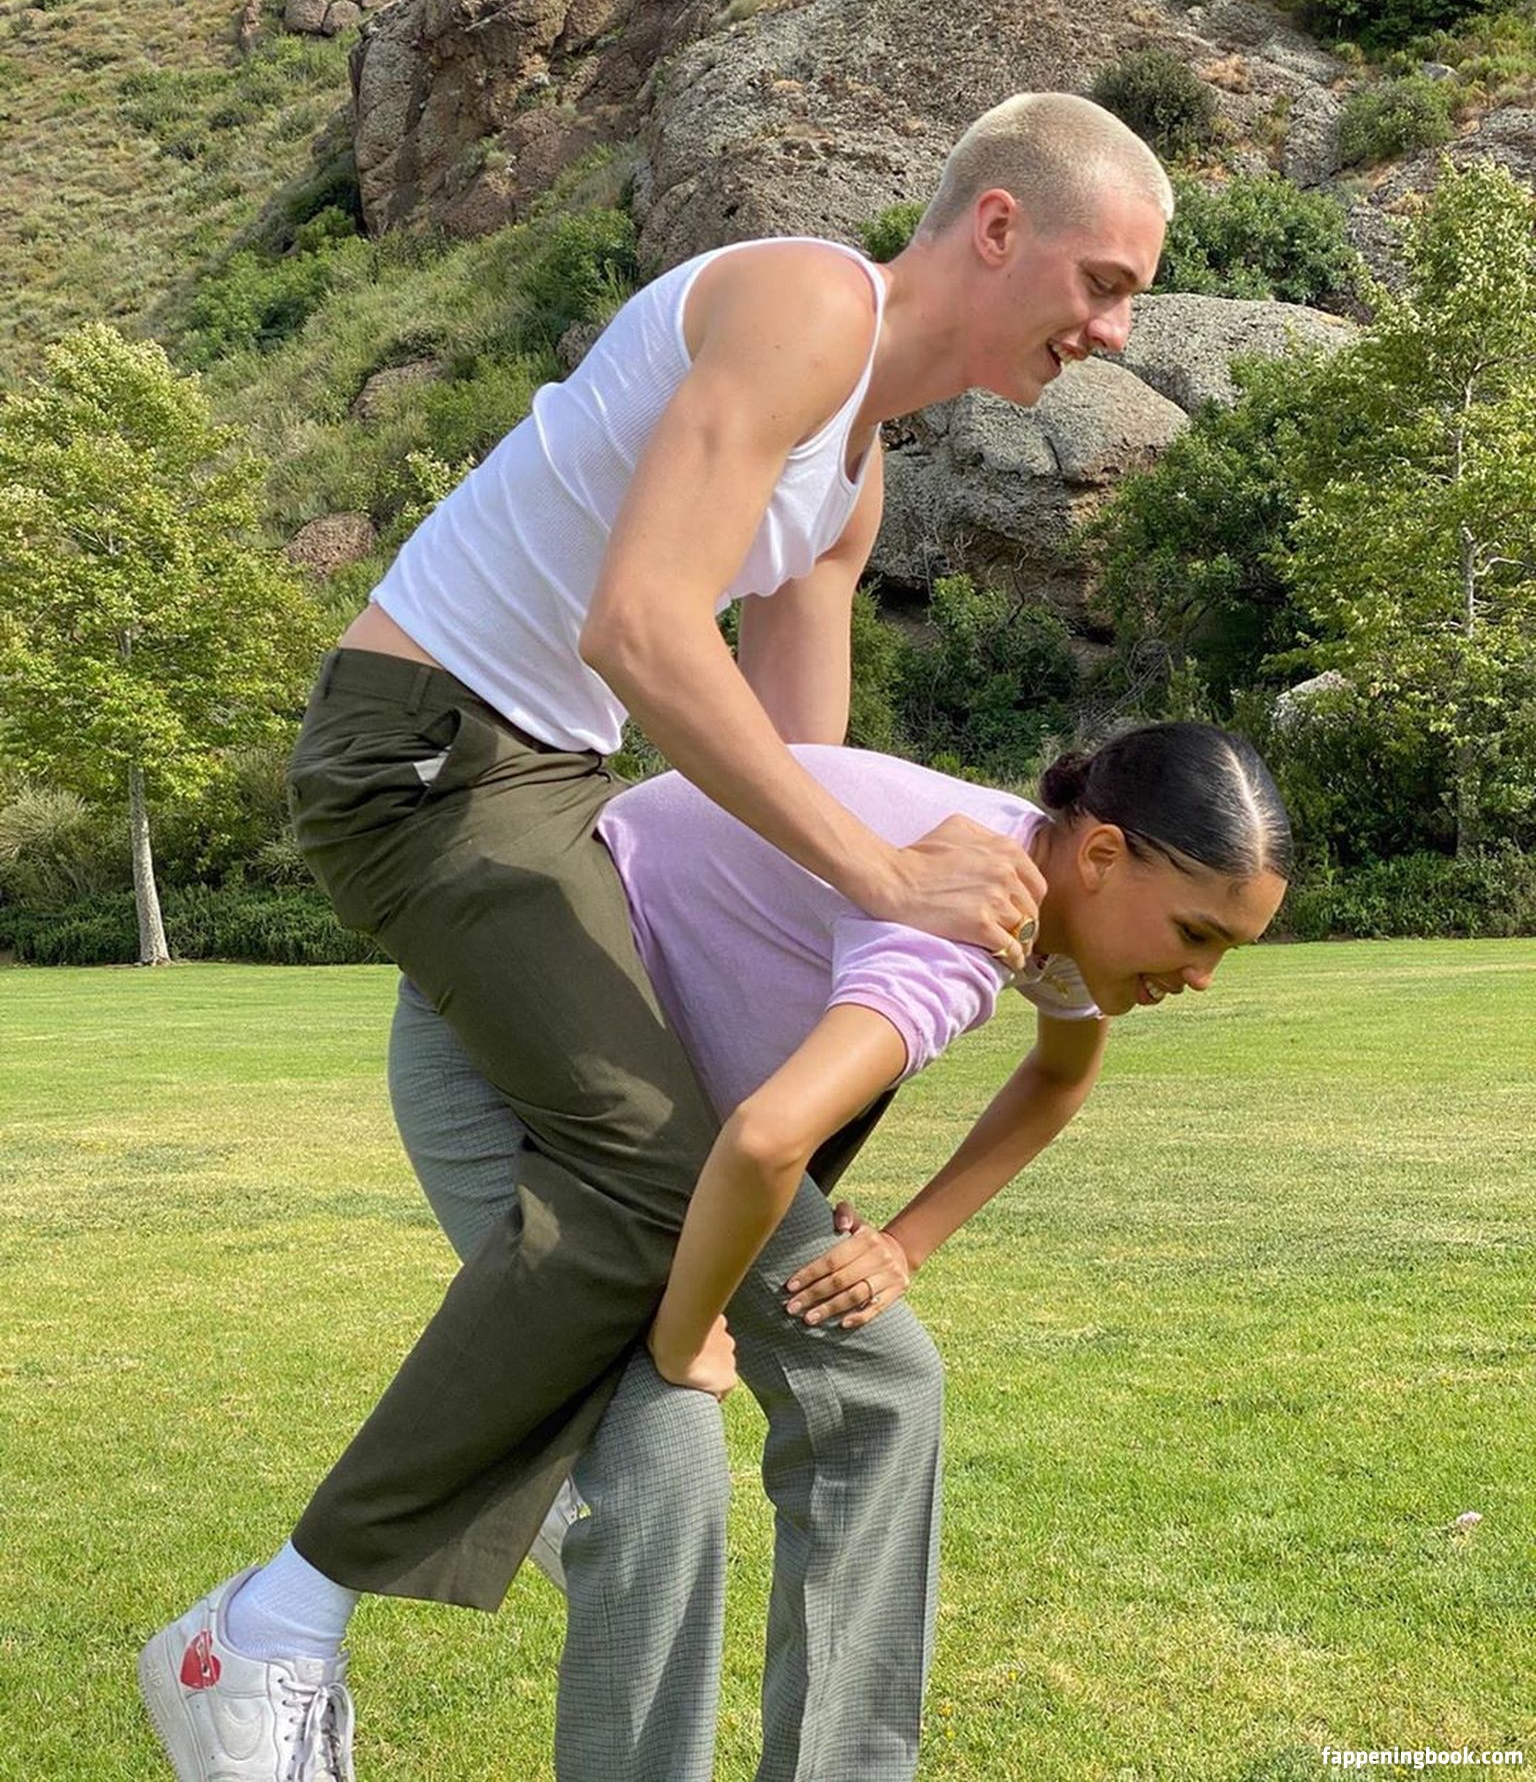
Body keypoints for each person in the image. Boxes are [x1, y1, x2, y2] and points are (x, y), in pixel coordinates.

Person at [140, 724, 1292, 1782]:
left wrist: (904, 1244)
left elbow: (1057, 1077)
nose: (1200, 978)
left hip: (672, 1121)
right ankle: (385, 1567)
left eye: (1225, 951)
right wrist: (683, 1337)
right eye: (1195, 935)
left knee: (886, 1384)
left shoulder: (1041, 894)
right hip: (499, 1061)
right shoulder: (954, 925)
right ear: (1101, 856)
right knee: (665, 1454)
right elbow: (768, 1139)